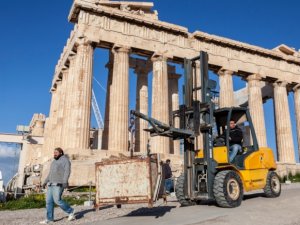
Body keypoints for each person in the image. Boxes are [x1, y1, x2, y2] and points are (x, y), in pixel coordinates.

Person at [40, 147, 75, 224]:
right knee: (48, 202)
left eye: (56, 152)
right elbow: (50, 174)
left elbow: (67, 171)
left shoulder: (65, 161)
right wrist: (45, 182)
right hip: (50, 184)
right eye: (54, 152)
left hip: (59, 184)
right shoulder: (53, 162)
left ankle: (71, 211)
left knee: (57, 200)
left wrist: (65, 182)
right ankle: (50, 219)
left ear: (61, 153)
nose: (54, 154)